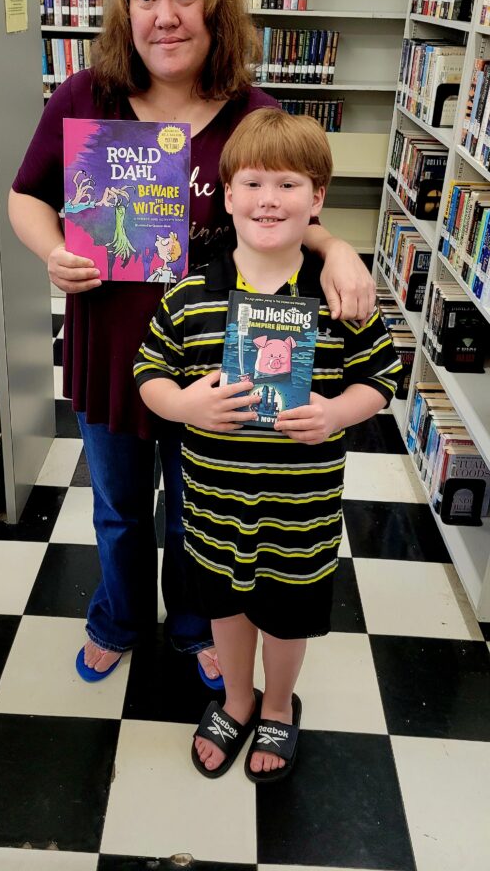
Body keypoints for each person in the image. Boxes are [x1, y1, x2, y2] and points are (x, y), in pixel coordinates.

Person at [9, 0, 377, 687]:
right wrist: (54, 251)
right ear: (125, 8)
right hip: (112, 348)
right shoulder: (87, 95)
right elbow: (26, 195)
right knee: (117, 509)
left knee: (197, 509)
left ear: (217, 7)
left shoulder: (251, 111)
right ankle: (118, 616)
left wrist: (338, 246)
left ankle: (194, 621)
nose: (165, 15)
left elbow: (285, 211)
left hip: (215, 357)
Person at [134, 108, 402, 781]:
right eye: (252, 183)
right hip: (216, 509)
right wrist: (185, 405)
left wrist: (336, 413)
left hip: (300, 515)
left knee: (286, 620)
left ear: (317, 199)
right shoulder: (190, 296)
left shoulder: (341, 299)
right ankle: (237, 698)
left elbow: (382, 378)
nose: (269, 199)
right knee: (225, 610)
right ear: (227, 196)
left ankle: (278, 704)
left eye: (288, 184)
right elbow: (148, 372)